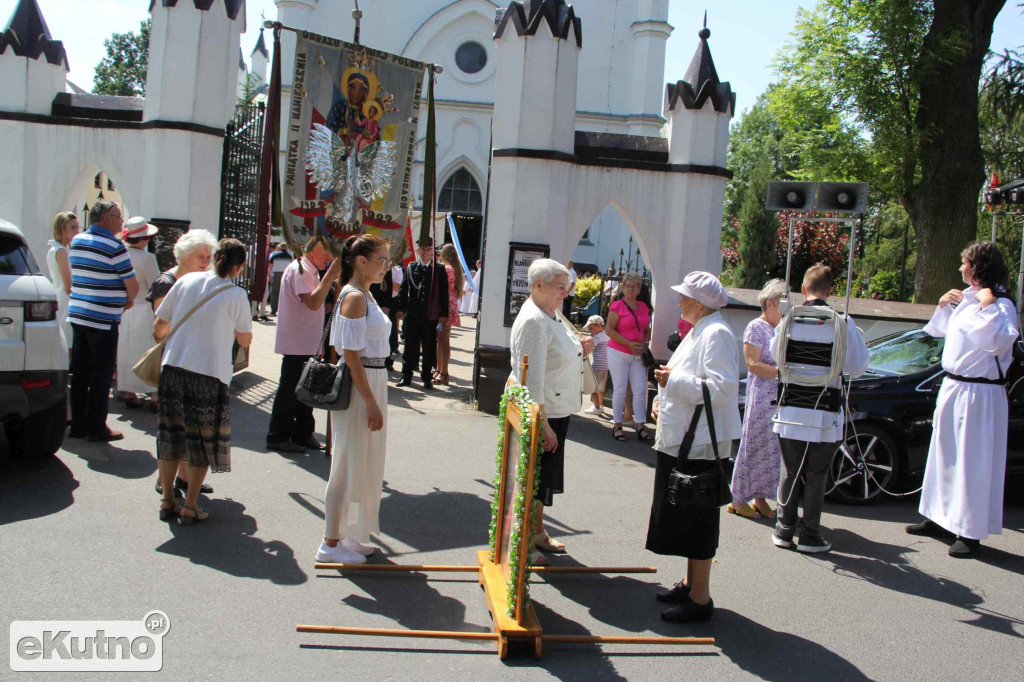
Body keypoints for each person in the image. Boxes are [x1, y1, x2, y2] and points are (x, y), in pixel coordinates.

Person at [907, 242, 1019, 558]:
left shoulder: (1000, 304)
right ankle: (939, 518)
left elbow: (997, 339)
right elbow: (942, 332)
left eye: (964, 262)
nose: (960, 268)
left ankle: (969, 532)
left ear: (978, 267)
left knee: (972, 462)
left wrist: (985, 304)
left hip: (980, 393)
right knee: (944, 455)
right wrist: (944, 305)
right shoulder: (969, 299)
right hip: (954, 387)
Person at [647, 271, 742, 623]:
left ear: (700, 303)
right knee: (687, 516)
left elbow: (721, 388)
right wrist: (663, 395)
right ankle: (691, 585)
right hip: (686, 439)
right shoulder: (703, 329)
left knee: (698, 519)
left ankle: (700, 599)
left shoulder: (716, 333)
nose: (680, 301)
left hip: (700, 443)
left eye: (685, 297)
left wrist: (673, 381)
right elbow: (686, 378)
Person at [770, 264, 869, 554]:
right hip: (824, 412)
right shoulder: (842, 321)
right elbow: (858, 367)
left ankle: (784, 529)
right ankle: (810, 534)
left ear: (803, 289)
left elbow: (777, 357)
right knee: (816, 473)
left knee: (789, 470)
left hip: (791, 410)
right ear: (829, 292)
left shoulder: (789, 319)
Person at [154, 238, 252, 524]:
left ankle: (167, 498)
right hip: (209, 373)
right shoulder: (236, 295)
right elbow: (244, 338)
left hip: (173, 367)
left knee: (170, 436)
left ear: (214, 258)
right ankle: (192, 504)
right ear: (240, 266)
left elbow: (160, 324)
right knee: (201, 440)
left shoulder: (186, 281)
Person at [510, 258, 593, 565]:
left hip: (556, 407)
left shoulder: (551, 312)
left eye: (567, 286)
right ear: (538, 285)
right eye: (560, 287)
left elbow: (560, 351)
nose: (565, 292)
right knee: (531, 478)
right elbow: (530, 381)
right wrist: (543, 425)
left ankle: (537, 532)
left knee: (543, 478)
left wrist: (581, 349)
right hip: (542, 412)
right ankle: (522, 543)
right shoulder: (535, 320)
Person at [317, 234, 393, 564]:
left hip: (373, 377)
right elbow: (349, 355)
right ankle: (330, 541)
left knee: (361, 460)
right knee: (347, 462)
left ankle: (345, 535)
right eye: (382, 261)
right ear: (361, 261)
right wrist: (370, 400)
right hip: (361, 381)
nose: (386, 268)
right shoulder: (355, 297)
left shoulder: (364, 295)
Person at [146, 229, 219, 497]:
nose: (205, 261)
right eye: (200, 256)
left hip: (196, 361)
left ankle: (187, 480)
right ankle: (165, 479)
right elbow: (160, 328)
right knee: (173, 426)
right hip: (174, 360)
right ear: (183, 256)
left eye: (209, 257)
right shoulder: (168, 281)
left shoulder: (202, 282)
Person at [67, 201, 139, 443]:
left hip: (79, 314)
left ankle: (78, 424)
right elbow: (132, 285)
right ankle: (97, 426)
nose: (121, 222)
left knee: (80, 372)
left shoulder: (76, 241)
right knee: (101, 374)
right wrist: (127, 300)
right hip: (103, 318)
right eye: (119, 217)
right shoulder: (114, 246)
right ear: (107, 218)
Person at [266, 237, 342, 454]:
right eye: (327, 253)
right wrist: (330, 276)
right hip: (297, 343)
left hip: (306, 342)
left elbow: (315, 303)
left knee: (305, 392)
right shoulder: (301, 268)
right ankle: (279, 435)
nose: (329, 259)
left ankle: (302, 432)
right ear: (316, 248)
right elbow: (312, 301)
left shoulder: (309, 269)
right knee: (290, 392)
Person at [728, 278, 787, 520]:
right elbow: (752, 364)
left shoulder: (782, 326)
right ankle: (737, 499)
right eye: (784, 301)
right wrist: (780, 373)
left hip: (778, 396)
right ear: (771, 303)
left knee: (770, 450)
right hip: (762, 396)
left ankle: (760, 498)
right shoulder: (755, 326)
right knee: (752, 447)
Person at [115, 217, 162, 410]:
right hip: (143, 308)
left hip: (124, 309)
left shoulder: (118, 254)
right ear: (144, 238)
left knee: (125, 349)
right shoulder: (147, 258)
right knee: (148, 350)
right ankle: (154, 395)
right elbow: (155, 285)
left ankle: (128, 391)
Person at [604, 272, 652, 442]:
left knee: (640, 390)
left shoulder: (644, 307)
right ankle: (617, 424)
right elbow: (609, 330)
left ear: (640, 289)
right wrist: (629, 344)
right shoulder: (618, 306)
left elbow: (647, 329)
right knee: (620, 389)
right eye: (628, 286)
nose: (631, 289)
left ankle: (640, 424)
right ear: (623, 287)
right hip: (619, 353)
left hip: (638, 354)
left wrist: (645, 342)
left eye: (635, 286)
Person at [395, 239, 448, 390]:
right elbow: (404, 289)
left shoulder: (438, 269)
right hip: (412, 314)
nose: (425, 252)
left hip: (430, 315)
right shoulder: (412, 267)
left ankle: (426, 378)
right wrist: (400, 307)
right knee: (409, 346)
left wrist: (444, 313)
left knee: (429, 347)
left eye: (427, 249)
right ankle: (406, 376)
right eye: (422, 249)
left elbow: (444, 293)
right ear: (418, 251)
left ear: (432, 251)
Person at [46, 211, 79, 352]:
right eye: (73, 228)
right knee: (67, 343)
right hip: (66, 300)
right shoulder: (61, 251)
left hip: (62, 297)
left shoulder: (59, 250)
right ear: (62, 229)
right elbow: (68, 285)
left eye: (77, 228)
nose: (77, 231)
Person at [435, 244, 464, 385]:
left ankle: (444, 372)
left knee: (443, 340)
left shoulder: (446, 269)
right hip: (451, 304)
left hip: (445, 306)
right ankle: (440, 370)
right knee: (442, 340)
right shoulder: (456, 269)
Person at [368, 256, 396, 370]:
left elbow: (388, 284)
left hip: (380, 299)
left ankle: (387, 360)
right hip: (368, 297)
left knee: (385, 332)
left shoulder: (384, 260)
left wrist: (387, 305)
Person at [583, 315, 610, 418]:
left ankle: (596, 407)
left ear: (599, 326)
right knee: (601, 388)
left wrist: (584, 343)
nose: (590, 331)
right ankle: (600, 405)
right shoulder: (607, 335)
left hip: (597, 366)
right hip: (605, 367)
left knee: (593, 387)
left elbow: (589, 347)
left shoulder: (598, 337)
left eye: (591, 328)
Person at [268, 242, 293, 316]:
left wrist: (269, 274)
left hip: (276, 274)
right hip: (285, 275)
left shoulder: (275, 255)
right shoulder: (289, 256)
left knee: (274, 292)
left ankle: (273, 310)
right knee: (283, 293)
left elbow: (270, 265)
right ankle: (282, 310)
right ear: (286, 248)